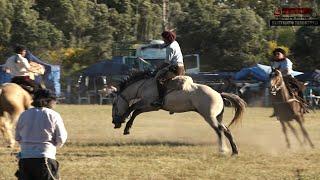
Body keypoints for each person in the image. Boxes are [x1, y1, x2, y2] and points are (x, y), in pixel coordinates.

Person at [15, 89, 67, 180]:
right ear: (48, 101)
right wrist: (54, 147)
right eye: (54, 100)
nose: (55, 103)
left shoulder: (24, 114)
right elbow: (61, 138)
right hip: (45, 158)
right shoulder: (53, 115)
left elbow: (17, 137)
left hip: (25, 159)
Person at [141, 30, 185, 107]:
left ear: (167, 38)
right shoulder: (175, 43)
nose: (163, 40)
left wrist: (157, 69)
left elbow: (167, 62)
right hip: (181, 67)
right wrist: (147, 47)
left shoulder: (170, 48)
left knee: (159, 79)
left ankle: (160, 100)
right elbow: (160, 46)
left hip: (175, 69)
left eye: (163, 38)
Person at [270, 47, 307, 117]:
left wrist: (279, 72)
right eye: (275, 54)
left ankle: (303, 104)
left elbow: (287, 70)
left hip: (288, 78)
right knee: (272, 91)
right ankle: (275, 110)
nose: (276, 55)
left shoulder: (287, 61)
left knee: (299, 87)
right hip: (278, 79)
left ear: (283, 54)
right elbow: (273, 71)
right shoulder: (274, 62)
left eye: (278, 54)